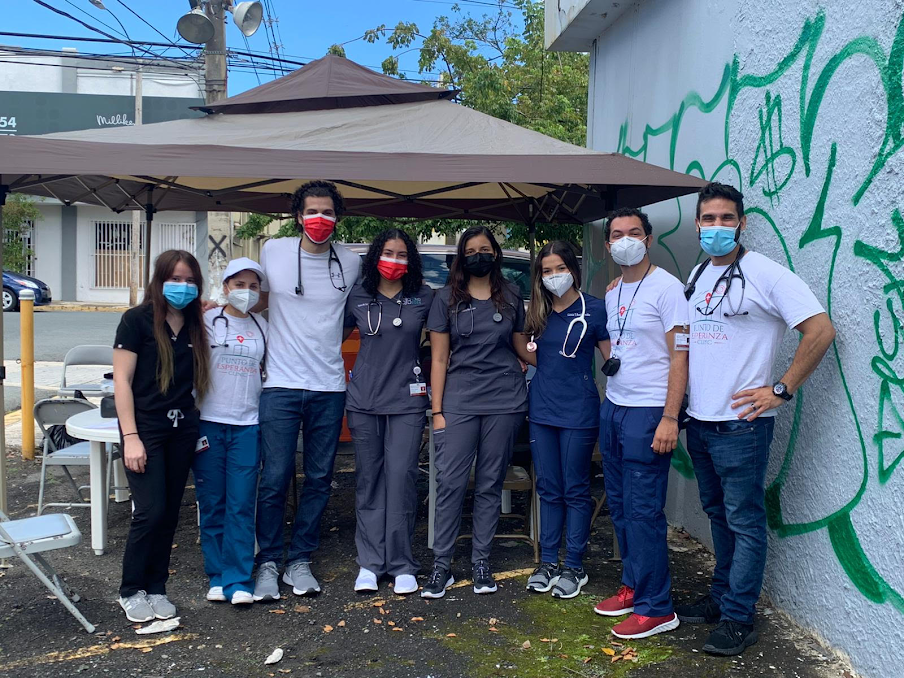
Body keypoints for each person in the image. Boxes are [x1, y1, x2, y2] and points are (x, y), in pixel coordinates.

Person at [676, 182, 835, 656]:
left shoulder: (766, 274)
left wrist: (781, 389)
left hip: (741, 427)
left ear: (742, 223)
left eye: (727, 218)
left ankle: (739, 618)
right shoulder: (698, 273)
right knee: (718, 516)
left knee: (744, 522)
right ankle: (721, 597)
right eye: (709, 219)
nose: (717, 226)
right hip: (700, 423)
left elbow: (820, 330)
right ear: (697, 224)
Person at [251, 180, 360, 601]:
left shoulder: (350, 261)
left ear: (338, 217)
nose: (320, 219)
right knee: (274, 477)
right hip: (279, 384)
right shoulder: (273, 251)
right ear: (298, 216)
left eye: (327, 212)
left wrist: (325, 343)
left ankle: (300, 559)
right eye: (312, 211)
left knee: (319, 478)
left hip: (328, 386)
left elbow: (349, 317)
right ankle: (268, 562)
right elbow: (259, 300)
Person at [591, 208, 689, 640]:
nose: (625, 240)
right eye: (617, 234)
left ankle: (657, 607)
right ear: (608, 244)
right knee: (620, 505)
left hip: (649, 411)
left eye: (634, 232)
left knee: (644, 510)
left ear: (648, 240)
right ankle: (633, 586)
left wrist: (670, 416)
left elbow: (681, 357)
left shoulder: (668, 289)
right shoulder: (614, 290)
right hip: (615, 406)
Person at [422, 225, 529, 599]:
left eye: (484, 249)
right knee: (450, 483)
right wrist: (437, 411)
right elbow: (439, 357)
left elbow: (520, 346)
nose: (478, 256)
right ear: (461, 257)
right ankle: (442, 564)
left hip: (505, 401)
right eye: (470, 251)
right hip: (459, 402)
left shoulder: (511, 295)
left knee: (489, 483)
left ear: (495, 254)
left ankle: (481, 561)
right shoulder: (446, 298)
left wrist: (556, 359)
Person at [112, 250, 211, 622]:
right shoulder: (136, 320)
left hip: (182, 430)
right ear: (159, 279)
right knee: (149, 511)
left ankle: (156, 587)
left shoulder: (195, 322)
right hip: (145, 430)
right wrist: (131, 436)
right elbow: (121, 382)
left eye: (190, 281)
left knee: (169, 513)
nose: (183, 287)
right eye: (175, 279)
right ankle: (130, 590)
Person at [343, 229, 434, 595]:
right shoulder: (358, 295)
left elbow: (447, 342)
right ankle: (370, 562)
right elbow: (323, 334)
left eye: (401, 254)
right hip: (364, 401)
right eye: (387, 253)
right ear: (374, 257)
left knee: (401, 478)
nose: (394, 261)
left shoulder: (424, 297)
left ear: (410, 261)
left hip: (407, 402)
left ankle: (401, 564)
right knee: (369, 480)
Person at [519, 241, 609, 599]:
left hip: (578, 412)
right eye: (547, 271)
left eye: (560, 268)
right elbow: (530, 351)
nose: (554, 276)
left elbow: (613, 360)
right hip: (542, 410)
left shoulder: (595, 309)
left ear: (573, 269)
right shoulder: (537, 313)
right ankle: (547, 563)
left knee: (575, 489)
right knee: (548, 488)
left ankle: (574, 565)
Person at [195, 258, 268, 606]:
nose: (246, 292)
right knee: (212, 502)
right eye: (239, 285)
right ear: (225, 287)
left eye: (253, 286)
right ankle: (217, 574)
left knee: (241, 503)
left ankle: (239, 579)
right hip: (209, 421)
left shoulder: (262, 327)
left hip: (248, 424)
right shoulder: (206, 321)